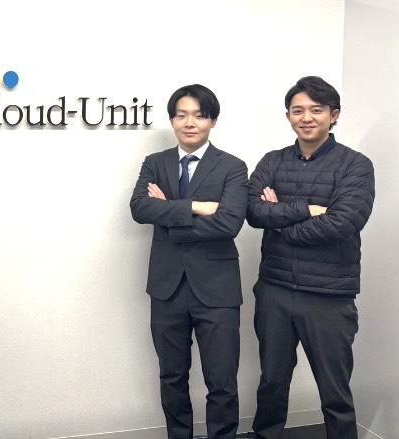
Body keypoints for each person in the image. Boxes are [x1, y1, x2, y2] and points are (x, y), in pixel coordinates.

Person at [247, 76, 375, 439]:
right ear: (288, 115)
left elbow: (341, 223)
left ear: (334, 115)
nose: (306, 117)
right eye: (297, 110)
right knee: (271, 383)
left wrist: (280, 221)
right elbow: (253, 211)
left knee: (334, 391)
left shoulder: (355, 165)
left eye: (316, 110)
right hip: (274, 289)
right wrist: (306, 210)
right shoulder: (272, 161)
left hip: (329, 296)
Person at [130, 84, 248, 438]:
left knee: (222, 381)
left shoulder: (232, 167)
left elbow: (229, 223)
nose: (189, 123)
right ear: (172, 120)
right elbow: (139, 208)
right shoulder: (155, 163)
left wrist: (167, 214)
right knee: (172, 377)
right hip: (167, 288)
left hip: (218, 290)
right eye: (181, 115)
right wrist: (196, 207)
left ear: (212, 121)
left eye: (199, 115)